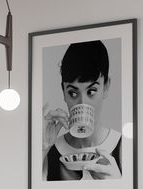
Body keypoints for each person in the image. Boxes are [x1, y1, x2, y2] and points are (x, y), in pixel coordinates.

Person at [42, 40, 122, 181]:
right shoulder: (49, 150)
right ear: (63, 92)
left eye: (91, 91)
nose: (82, 102)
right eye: (73, 93)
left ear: (106, 87)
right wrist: (42, 149)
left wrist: (118, 184)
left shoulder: (123, 147)